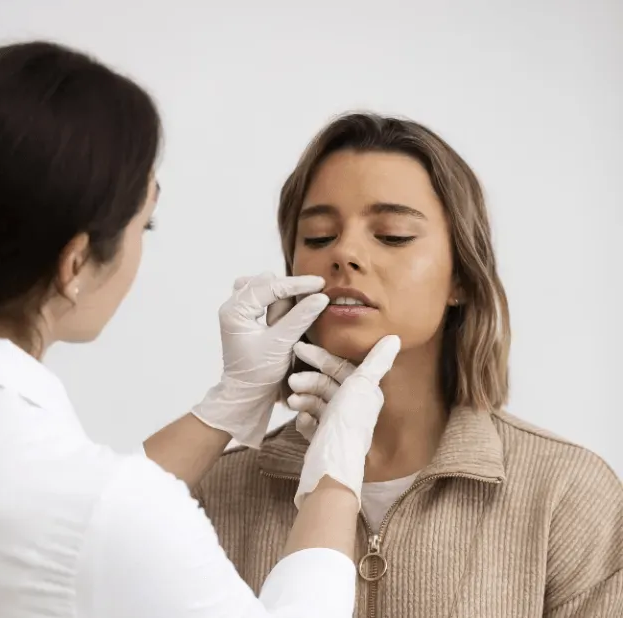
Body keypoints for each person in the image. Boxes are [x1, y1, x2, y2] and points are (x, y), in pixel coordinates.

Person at [0, 42, 401, 617]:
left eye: (394, 236)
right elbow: (98, 528)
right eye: (143, 223)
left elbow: (87, 527)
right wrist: (334, 480)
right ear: (74, 264)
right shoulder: (101, 510)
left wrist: (227, 405)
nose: (344, 257)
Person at [194, 113, 623, 617]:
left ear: (461, 276)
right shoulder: (215, 492)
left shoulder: (566, 493)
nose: (345, 254)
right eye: (317, 237)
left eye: (393, 235)